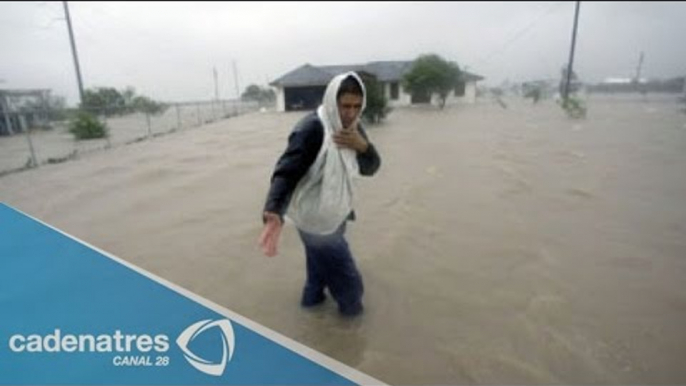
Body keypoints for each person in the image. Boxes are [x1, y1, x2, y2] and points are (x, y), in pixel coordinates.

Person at [259, 72, 381, 317]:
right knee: (350, 284)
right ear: (331, 102)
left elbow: (370, 168)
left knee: (317, 270)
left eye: (357, 106)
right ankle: (351, 333)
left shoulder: (354, 130)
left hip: (336, 214)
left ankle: (311, 310)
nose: (350, 113)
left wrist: (363, 147)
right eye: (345, 106)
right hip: (316, 221)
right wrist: (274, 209)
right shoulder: (311, 129)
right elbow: (286, 172)